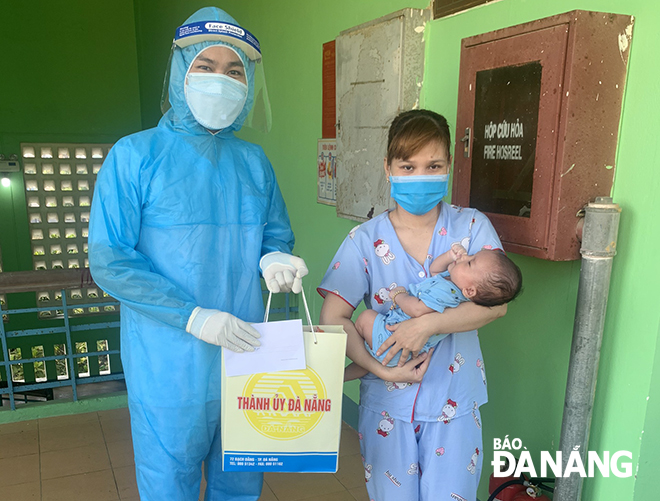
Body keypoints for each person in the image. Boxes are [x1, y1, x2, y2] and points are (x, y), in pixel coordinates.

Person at [89, 7, 307, 500]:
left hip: (247, 352)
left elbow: (275, 234)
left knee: (241, 479)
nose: (221, 81)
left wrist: (274, 259)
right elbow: (111, 259)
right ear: (178, 71)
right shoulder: (135, 156)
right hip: (168, 362)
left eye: (234, 72)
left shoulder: (254, 162)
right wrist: (191, 316)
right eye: (204, 67)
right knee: (170, 485)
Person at [318, 109, 509, 501]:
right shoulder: (363, 240)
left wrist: (427, 326)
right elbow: (334, 318)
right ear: (388, 169)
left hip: (453, 405)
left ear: (449, 167)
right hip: (387, 405)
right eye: (408, 165)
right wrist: (380, 371)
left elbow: (496, 305)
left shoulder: (471, 228)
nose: (420, 175)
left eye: (433, 165)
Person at [351, 243, 521, 373]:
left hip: (394, 336)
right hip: (401, 348)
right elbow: (434, 270)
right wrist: (450, 256)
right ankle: (341, 377)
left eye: (469, 263)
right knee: (371, 360)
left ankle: (340, 364)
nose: (464, 257)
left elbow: (417, 309)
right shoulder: (451, 282)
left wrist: (398, 295)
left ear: (469, 290)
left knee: (365, 318)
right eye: (471, 255)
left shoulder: (446, 293)